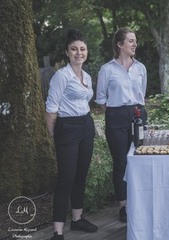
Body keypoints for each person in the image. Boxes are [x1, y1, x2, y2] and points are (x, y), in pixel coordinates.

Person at [45, 29, 98, 240]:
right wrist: (52, 136)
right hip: (66, 128)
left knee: (80, 177)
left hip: (86, 125)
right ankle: (57, 232)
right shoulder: (61, 76)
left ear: (86, 52)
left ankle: (77, 220)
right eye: (74, 49)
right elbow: (51, 109)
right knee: (65, 180)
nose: (79, 53)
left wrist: (89, 125)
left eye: (82, 49)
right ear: (67, 52)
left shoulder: (87, 76)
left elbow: (85, 102)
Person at [95, 27, 147, 223]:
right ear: (120, 44)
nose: (135, 44)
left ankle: (139, 201)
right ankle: (124, 206)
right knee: (121, 162)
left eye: (135, 40)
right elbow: (101, 99)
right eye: (131, 41)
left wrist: (135, 111)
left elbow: (142, 93)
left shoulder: (140, 68)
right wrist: (117, 113)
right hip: (115, 116)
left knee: (139, 158)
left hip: (139, 114)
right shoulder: (107, 70)